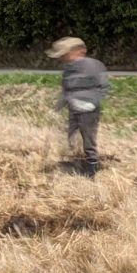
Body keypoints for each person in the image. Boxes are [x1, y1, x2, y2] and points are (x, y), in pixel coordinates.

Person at [47, 36, 110, 177]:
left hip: (89, 110)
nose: (62, 58)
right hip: (73, 108)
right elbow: (66, 90)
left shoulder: (93, 65)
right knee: (70, 136)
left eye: (65, 55)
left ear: (79, 51)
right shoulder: (68, 70)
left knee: (88, 138)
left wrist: (92, 101)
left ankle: (91, 168)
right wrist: (58, 106)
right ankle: (75, 160)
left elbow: (103, 86)